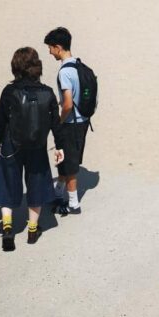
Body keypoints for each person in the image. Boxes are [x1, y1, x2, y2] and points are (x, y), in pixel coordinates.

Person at [0, 48, 64, 252]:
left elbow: (0, 119)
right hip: (37, 145)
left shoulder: (9, 91)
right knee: (36, 184)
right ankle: (32, 230)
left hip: (11, 143)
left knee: (7, 182)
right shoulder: (47, 92)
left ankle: (7, 227)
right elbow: (55, 123)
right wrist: (59, 146)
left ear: (15, 67)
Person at [44, 27, 89, 215]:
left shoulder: (65, 72)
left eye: (50, 48)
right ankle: (57, 192)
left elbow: (68, 104)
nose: (49, 52)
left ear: (58, 47)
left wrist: (59, 122)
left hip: (71, 123)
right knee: (64, 158)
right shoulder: (81, 66)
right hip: (83, 121)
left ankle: (73, 204)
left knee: (69, 165)